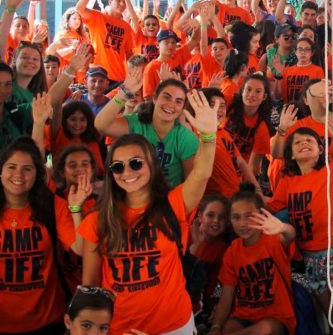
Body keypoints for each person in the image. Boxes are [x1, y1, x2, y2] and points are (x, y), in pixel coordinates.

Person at [79, 92, 218, 334]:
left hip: (173, 325)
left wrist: (207, 136)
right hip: (120, 328)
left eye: (136, 163)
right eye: (118, 167)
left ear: (152, 165)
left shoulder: (173, 204)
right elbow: (91, 285)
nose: (127, 172)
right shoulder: (97, 220)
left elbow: (201, 174)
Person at [0, 136, 88, 333]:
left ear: (37, 175)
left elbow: (81, 248)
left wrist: (75, 208)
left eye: (27, 169)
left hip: (48, 321)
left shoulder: (52, 205)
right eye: (11, 167)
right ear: (1, 171)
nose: (18, 174)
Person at [267, 127, 333, 315]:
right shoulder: (288, 181)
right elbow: (274, 207)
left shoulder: (332, 170)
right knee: (328, 313)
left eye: (309, 140)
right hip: (308, 257)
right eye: (297, 142)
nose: (304, 143)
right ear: (291, 155)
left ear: (321, 149)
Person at [211, 186, 296, 335]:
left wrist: (282, 227)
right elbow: (226, 295)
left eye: (249, 216)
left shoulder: (273, 239)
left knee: (264, 330)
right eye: (236, 217)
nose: (242, 223)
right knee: (228, 328)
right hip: (243, 315)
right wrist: (216, 327)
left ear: (262, 215)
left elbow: (290, 235)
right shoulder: (232, 251)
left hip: (276, 317)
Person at [95, 72, 199, 188]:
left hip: (167, 197)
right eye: (166, 97)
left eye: (178, 101)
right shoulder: (136, 123)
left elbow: (192, 183)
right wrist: (123, 94)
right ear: (155, 98)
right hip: (133, 192)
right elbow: (101, 125)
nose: (171, 104)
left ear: (183, 107)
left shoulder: (186, 138)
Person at [75, 0, 138, 86]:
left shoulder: (126, 27)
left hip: (118, 76)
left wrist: (133, 74)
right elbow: (79, 8)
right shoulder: (98, 17)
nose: (121, 4)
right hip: (97, 75)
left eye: (124, 1)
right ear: (110, 1)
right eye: (118, 0)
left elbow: (129, 54)